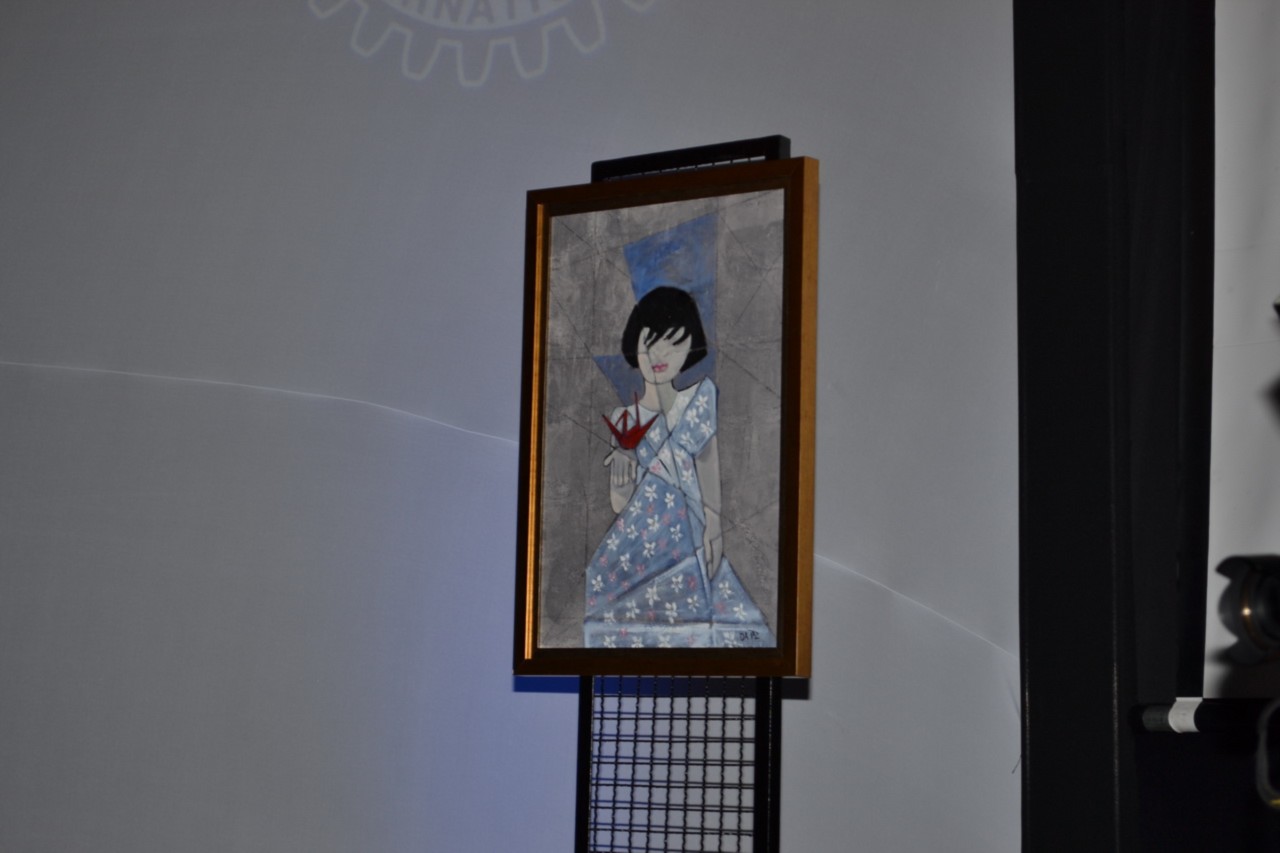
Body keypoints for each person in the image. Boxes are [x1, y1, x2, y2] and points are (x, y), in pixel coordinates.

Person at [584, 286, 775, 649]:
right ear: (635, 343)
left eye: (674, 342)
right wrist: (623, 471)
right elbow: (621, 507)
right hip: (642, 557)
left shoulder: (699, 400)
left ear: (691, 347)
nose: (661, 354)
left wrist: (714, 528)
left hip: (692, 546)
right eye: (651, 341)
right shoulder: (623, 420)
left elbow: (708, 478)